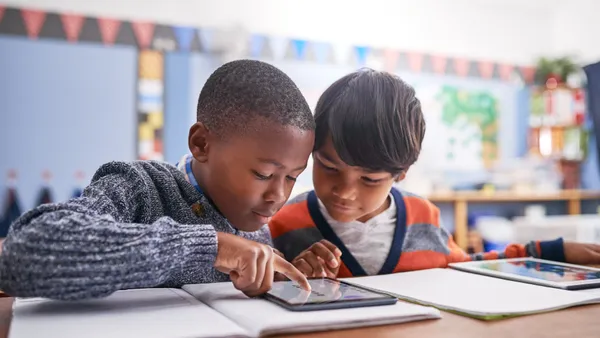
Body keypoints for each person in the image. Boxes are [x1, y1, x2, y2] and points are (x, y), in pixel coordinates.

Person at [0, 60, 313, 299]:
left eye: (292, 178)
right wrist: (211, 247)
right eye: (264, 174)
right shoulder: (139, 187)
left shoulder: (255, 226)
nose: (278, 195)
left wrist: (283, 274)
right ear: (202, 144)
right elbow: (23, 253)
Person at [269, 69, 600, 279]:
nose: (345, 191)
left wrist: (546, 253)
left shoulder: (423, 216)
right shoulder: (283, 224)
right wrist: (288, 278)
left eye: (369, 179)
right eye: (328, 167)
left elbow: (470, 266)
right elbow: (254, 286)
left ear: (402, 173)